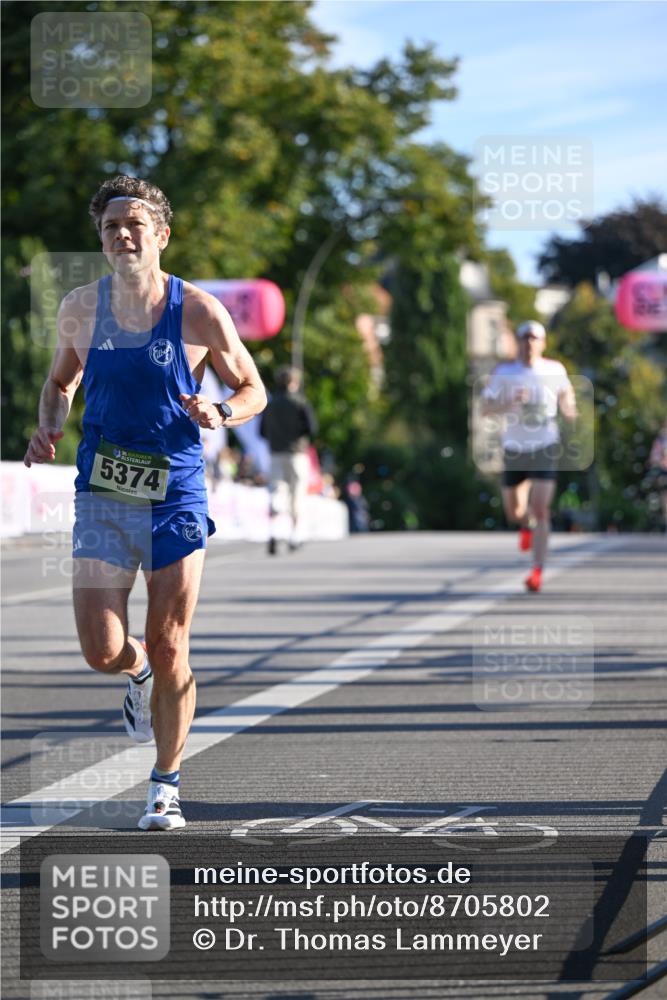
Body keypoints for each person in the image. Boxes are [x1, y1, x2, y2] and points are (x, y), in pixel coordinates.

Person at [23, 175, 266, 830]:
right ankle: (134, 679)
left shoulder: (198, 311)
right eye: (110, 226)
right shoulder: (80, 306)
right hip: (104, 488)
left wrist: (220, 409)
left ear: (161, 234)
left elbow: (253, 390)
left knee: (169, 643)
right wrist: (48, 423)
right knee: (103, 649)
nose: (122, 234)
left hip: (175, 490)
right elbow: (58, 382)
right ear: (101, 240)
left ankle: (165, 785)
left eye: (135, 223)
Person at [481, 320, 576, 592]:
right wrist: (508, 403)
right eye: (524, 338)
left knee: (540, 508)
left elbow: (566, 393)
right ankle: (524, 527)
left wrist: (569, 408)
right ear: (518, 342)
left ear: (543, 343)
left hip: (544, 445)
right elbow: (485, 409)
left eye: (534, 338)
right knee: (515, 512)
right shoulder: (504, 372)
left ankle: (537, 571)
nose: (529, 343)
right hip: (514, 447)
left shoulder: (555, 369)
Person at [259, 366, 317, 554]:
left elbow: (262, 432)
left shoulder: (271, 404)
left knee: (276, 493)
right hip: (297, 453)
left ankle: (274, 534)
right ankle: (295, 535)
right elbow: (311, 429)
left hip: (275, 453)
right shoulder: (300, 402)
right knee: (297, 494)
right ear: (294, 382)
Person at [648, 420, 667, 532]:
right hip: (664, 471)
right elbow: (654, 457)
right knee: (665, 497)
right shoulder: (660, 441)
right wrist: (660, 461)